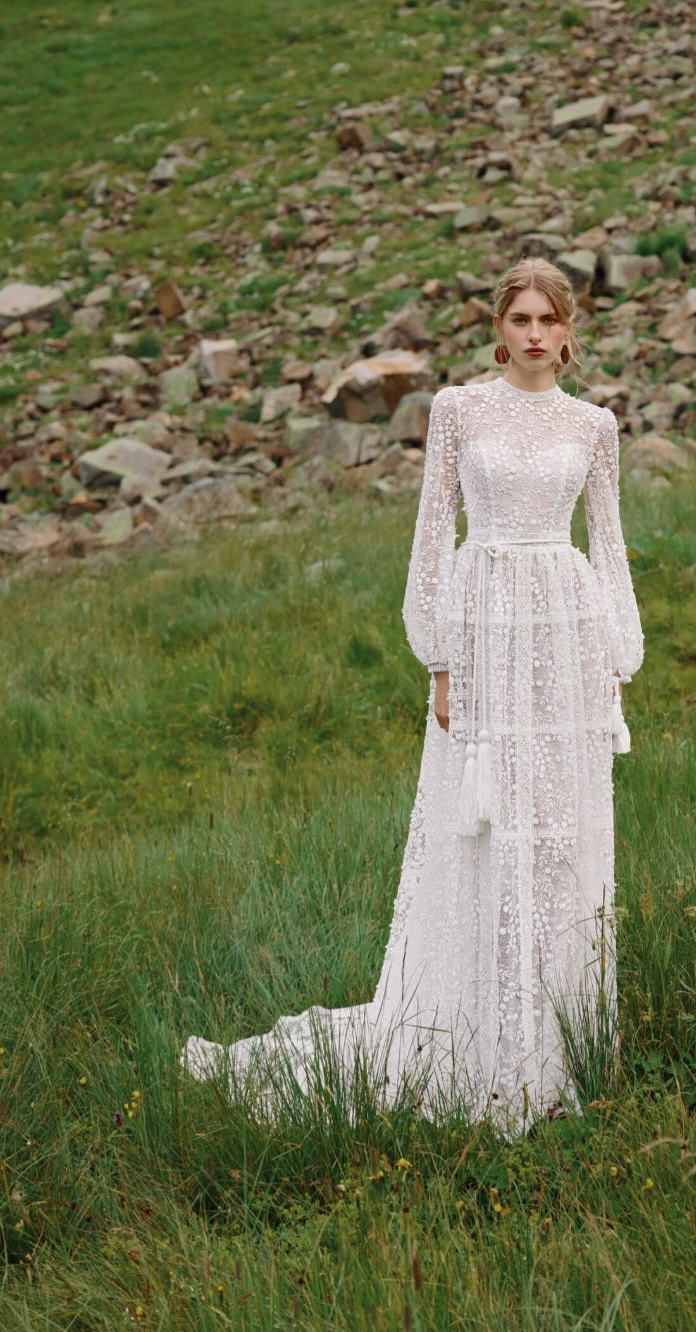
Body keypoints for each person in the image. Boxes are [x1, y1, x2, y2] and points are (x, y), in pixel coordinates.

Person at [181, 258, 643, 1138]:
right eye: (520, 319)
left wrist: (615, 658)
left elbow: (608, 543)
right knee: (481, 828)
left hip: (562, 634)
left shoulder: (594, 425)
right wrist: (439, 658)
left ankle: (555, 1048)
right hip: (484, 626)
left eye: (549, 318)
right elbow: (434, 534)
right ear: (497, 327)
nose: (535, 334)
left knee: (557, 838)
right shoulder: (458, 410)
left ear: (570, 328)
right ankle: (472, 1041)